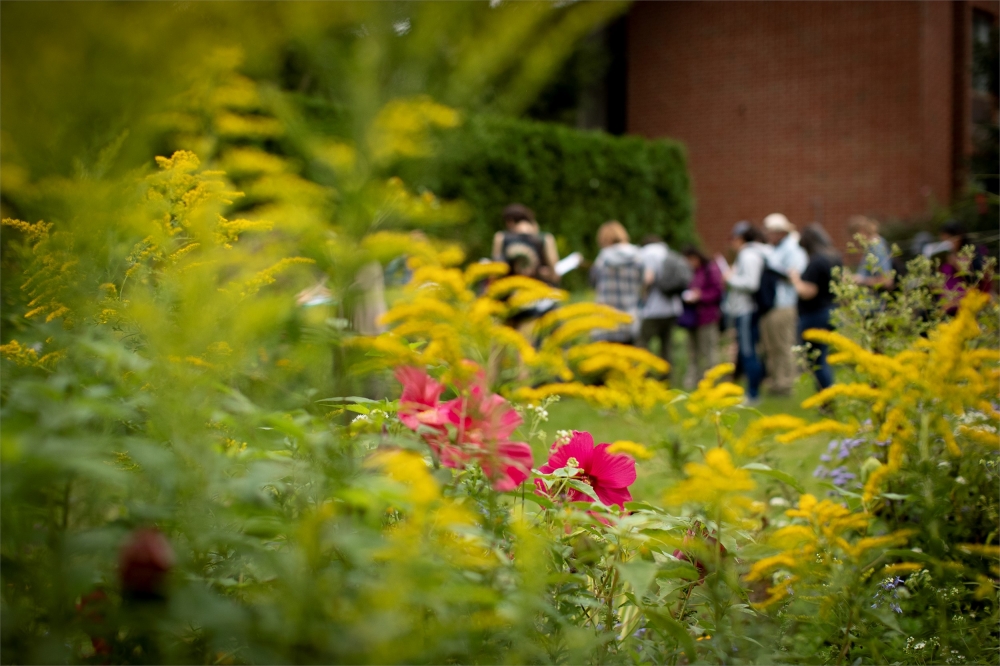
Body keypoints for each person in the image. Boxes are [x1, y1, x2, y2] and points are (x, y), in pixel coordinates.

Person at [789, 222, 842, 391]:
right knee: (823, 356)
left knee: (817, 361)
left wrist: (795, 279)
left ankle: (826, 398)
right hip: (830, 311)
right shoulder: (834, 257)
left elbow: (808, 291)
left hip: (814, 315)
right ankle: (826, 396)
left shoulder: (816, 261)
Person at [760, 213, 808, 397]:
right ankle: (776, 382)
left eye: (771, 232)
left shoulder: (793, 250)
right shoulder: (775, 249)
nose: (768, 236)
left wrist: (775, 270)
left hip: (784, 304)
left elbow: (795, 275)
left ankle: (787, 383)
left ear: (780, 233)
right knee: (771, 346)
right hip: (771, 305)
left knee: (783, 345)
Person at [723, 221, 771, 404]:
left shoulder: (748, 255)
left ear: (741, 238)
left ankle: (753, 394)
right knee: (746, 352)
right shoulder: (754, 253)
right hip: (745, 310)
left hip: (746, 310)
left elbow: (751, 284)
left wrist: (730, 278)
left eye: (733, 238)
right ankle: (751, 390)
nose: (731, 242)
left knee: (748, 352)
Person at [590, 221, 649, 344]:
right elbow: (645, 283)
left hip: (606, 321)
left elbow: (592, 282)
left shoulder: (602, 258)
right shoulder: (638, 257)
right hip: (630, 319)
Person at [679, 246, 723, 390]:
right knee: (693, 351)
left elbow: (718, 292)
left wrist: (701, 296)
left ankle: (712, 381)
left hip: (707, 316)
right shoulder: (692, 272)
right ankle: (694, 381)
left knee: (709, 350)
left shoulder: (710, 269)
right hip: (692, 317)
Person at [638, 235, 683, 372]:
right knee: (666, 346)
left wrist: (642, 293)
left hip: (653, 309)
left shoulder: (648, 253)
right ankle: (666, 378)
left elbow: (649, 277)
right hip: (672, 308)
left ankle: (643, 375)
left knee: (643, 343)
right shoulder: (667, 251)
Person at [491, 203, 560, 285]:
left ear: (510, 221)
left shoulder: (501, 237)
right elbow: (554, 270)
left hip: (510, 288)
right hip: (539, 287)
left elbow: (495, 267)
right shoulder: (545, 238)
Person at [848, 215, 893, 289]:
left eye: (855, 235)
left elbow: (887, 281)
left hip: (876, 299)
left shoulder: (877, 247)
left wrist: (861, 280)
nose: (854, 240)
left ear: (862, 230)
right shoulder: (870, 247)